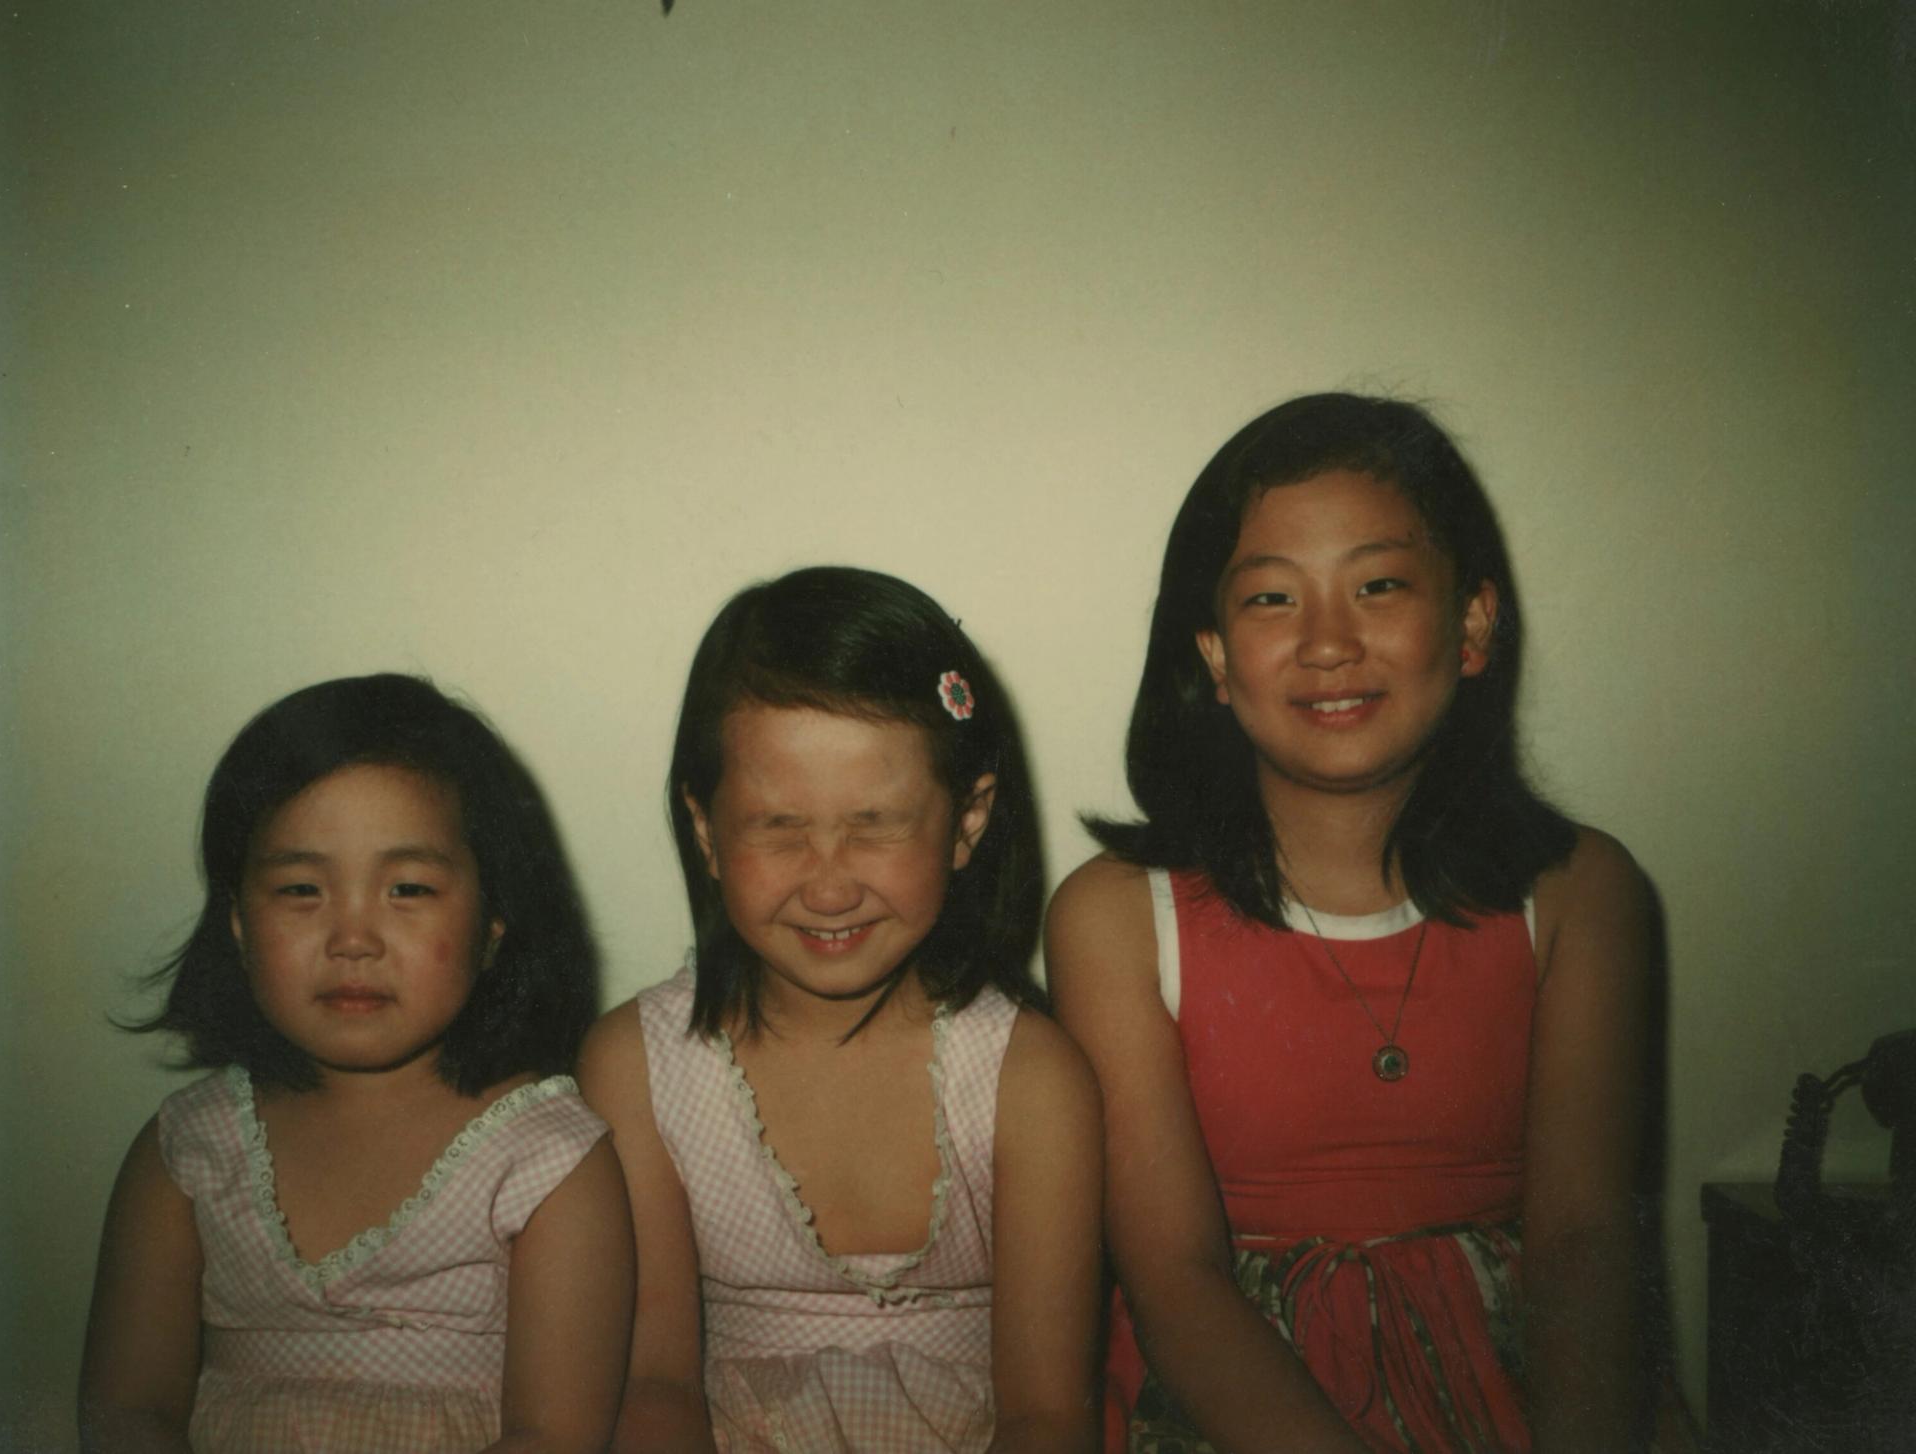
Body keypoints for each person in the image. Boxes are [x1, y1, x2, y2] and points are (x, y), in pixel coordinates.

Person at [1046, 395, 1653, 1453]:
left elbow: (1583, 1243)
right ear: (1218, 658)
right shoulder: (1114, 916)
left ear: (1471, 623)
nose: (1329, 641)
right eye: (1274, 598)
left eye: (1378, 585)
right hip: (1227, 1404)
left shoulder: (1582, 893)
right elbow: (1174, 1279)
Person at [581, 566, 1102, 1454]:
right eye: (779, 827)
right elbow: (656, 1388)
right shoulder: (638, 1067)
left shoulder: (1030, 1077)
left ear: (969, 820)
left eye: (877, 825)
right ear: (705, 830)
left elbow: (1047, 1414)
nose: (828, 885)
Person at [80, 674, 634, 1454]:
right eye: (301, 889)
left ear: (494, 925)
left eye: (407, 888)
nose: (353, 938)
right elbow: (126, 1411)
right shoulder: (189, 1150)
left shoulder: (545, 1161)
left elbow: (556, 1434)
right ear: (237, 924)